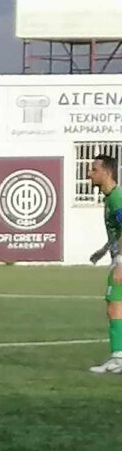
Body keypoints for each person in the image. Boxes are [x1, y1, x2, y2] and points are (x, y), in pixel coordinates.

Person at [88, 153, 122, 374]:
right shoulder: (110, 198)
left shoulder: (117, 198)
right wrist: (103, 250)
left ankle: (118, 358)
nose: (89, 173)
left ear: (107, 173)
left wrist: (120, 262)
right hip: (116, 256)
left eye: (94, 170)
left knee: (114, 307)